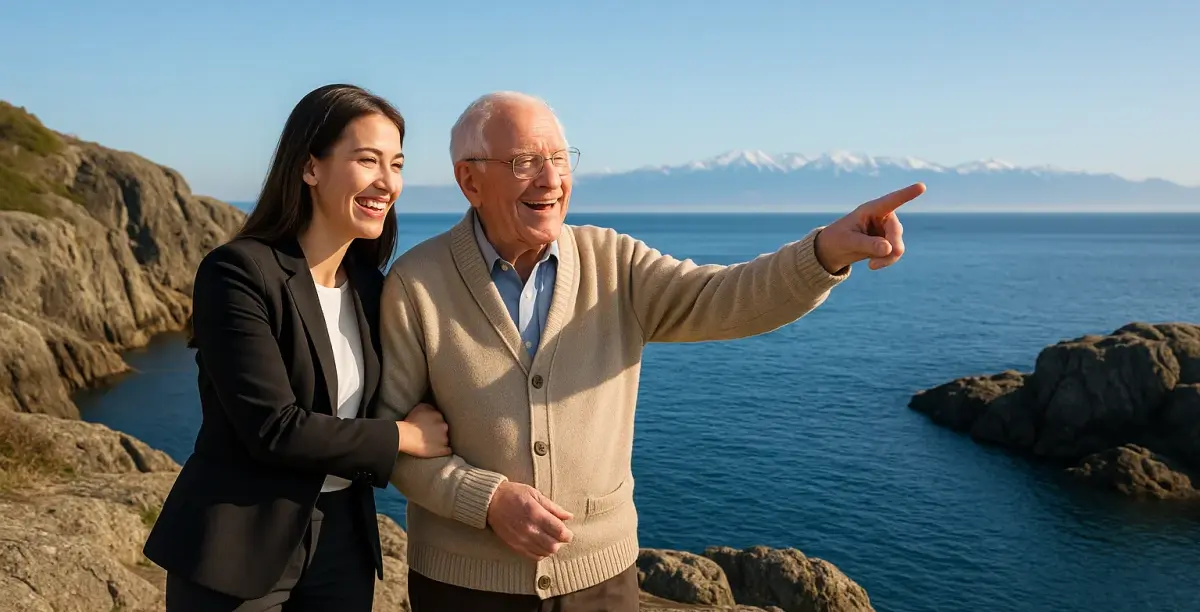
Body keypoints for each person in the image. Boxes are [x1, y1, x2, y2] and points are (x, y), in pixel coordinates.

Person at [376, 91, 925, 612]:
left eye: (560, 158)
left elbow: (726, 296)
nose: (551, 179)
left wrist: (825, 251)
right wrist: (486, 500)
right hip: (459, 585)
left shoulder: (614, 263)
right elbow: (390, 440)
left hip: (602, 582)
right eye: (524, 161)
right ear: (469, 180)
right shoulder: (417, 283)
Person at [142, 83, 452, 611]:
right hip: (239, 544)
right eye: (367, 160)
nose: (387, 182)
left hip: (343, 543)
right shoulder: (238, 272)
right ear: (310, 168)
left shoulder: (374, 288)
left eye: (396, 164)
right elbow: (274, 428)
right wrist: (402, 436)